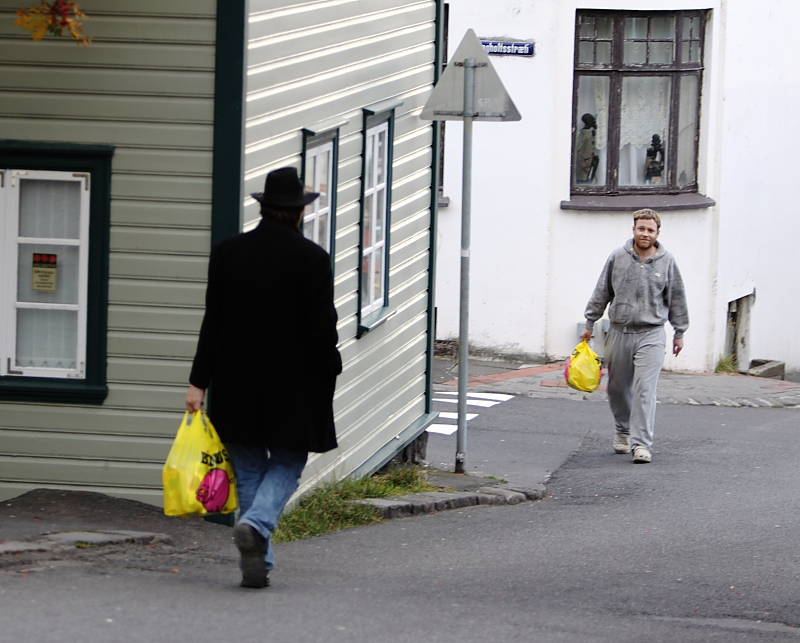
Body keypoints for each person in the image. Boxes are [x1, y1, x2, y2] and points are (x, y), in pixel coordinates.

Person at [185, 166, 342, 588]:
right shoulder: (312, 260)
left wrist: (198, 382)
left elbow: (212, 322)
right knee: (289, 459)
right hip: (292, 385)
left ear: (264, 208)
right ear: (297, 213)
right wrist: (331, 366)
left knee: (249, 466)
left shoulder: (227, 252)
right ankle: (256, 524)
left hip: (236, 381)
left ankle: (259, 561)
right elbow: (320, 328)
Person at [580, 209, 688, 464]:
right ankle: (623, 430)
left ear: (657, 234)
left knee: (645, 390)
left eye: (650, 230)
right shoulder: (618, 257)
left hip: (651, 333)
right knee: (617, 388)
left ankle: (642, 445)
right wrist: (590, 321)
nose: (645, 234)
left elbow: (677, 297)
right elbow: (602, 291)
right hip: (619, 331)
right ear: (634, 230)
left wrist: (679, 331)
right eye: (641, 228)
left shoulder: (667, 261)